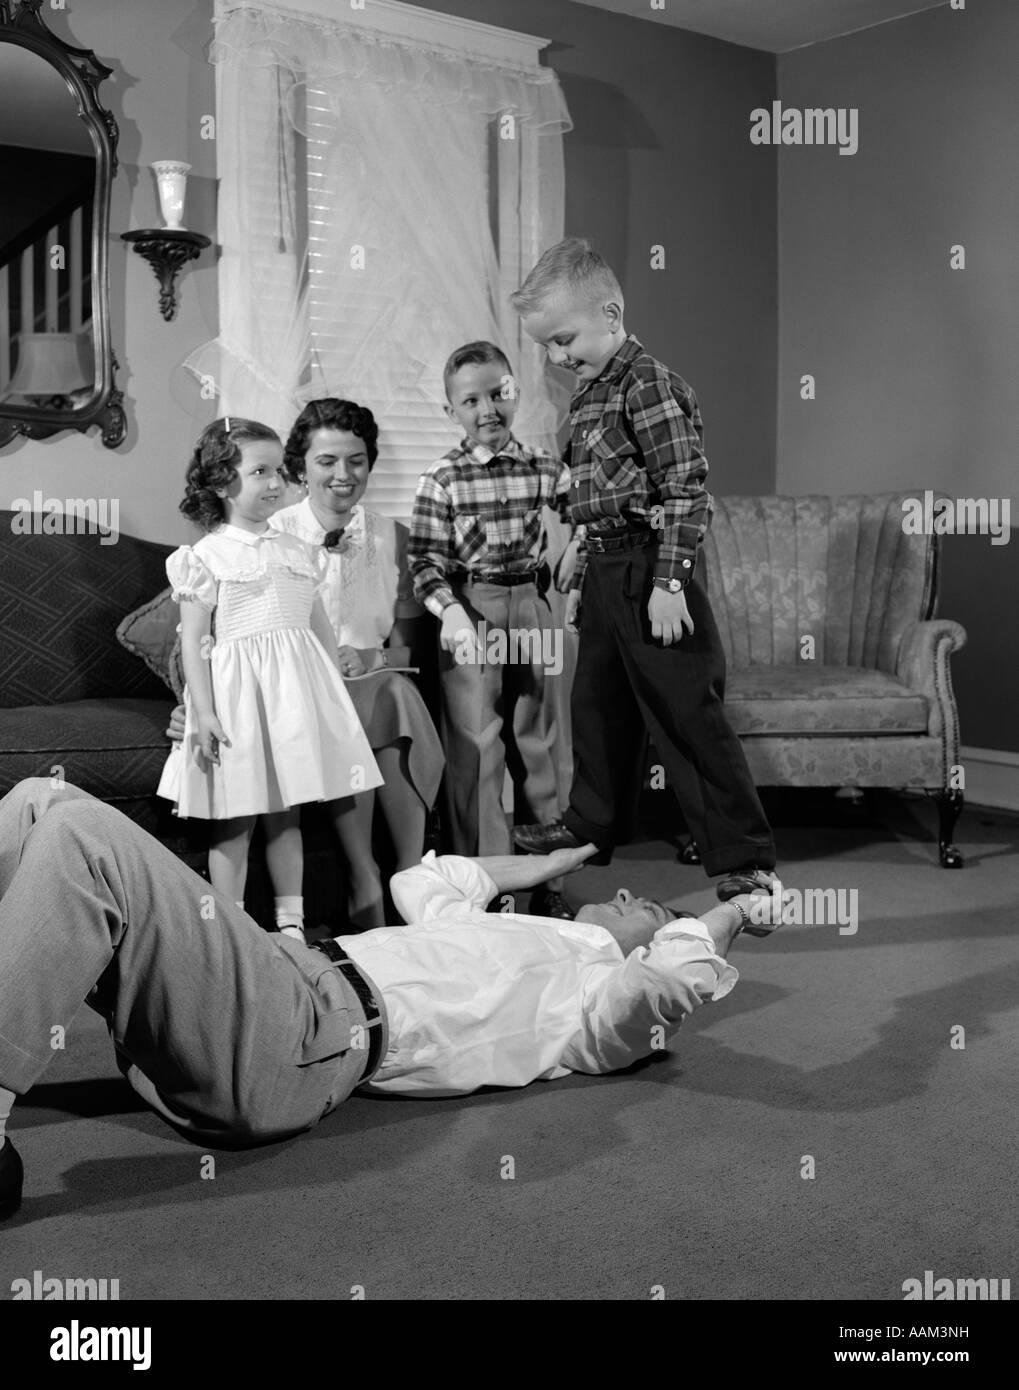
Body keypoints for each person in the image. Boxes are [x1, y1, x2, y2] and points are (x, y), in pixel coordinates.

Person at [0, 778, 782, 1221]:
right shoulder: (500, 930)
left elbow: (670, 982)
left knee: (83, 839)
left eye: (647, 906)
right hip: (271, 984)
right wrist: (549, 866)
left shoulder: (594, 998)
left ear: (648, 942)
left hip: (295, 1039)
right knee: (41, 800)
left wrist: (732, 913)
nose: (623, 892)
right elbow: (428, 881)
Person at [508, 238, 779, 903]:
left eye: (563, 338)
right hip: (604, 568)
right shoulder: (589, 394)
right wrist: (577, 554)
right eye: (545, 346)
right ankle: (588, 823)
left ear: (608, 311)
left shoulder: (647, 382)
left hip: (650, 567)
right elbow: (593, 489)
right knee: (595, 709)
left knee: (687, 715)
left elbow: (682, 490)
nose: (555, 356)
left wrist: (667, 583)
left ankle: (743, 856)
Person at [157, 417, 382, 941]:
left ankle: (291, 926)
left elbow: (317, 626)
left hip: (291, 701)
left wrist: (333, 696)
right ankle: (230, 931)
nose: (277, 482)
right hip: (239, 699)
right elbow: (194, 641)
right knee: (236, 820)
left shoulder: (297, 550)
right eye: (260, 471)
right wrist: (205, 711)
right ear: (221, 482)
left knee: (287, 815)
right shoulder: (205, 557)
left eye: (281, 470)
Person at [407, 341, 574, 917]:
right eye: (470, 399)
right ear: (451, 410)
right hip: (470, 610)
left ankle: (549, 882)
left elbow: (590, 520)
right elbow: (425, 561)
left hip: (533, 603)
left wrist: (574, 551)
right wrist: (451, 612)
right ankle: (486, 886)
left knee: (541, 742)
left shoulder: (548, 469)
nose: (487, 409)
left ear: (515, 394)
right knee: (477, 746)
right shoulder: (441, 479)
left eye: (497, 393)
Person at [272, 398, 445, 927]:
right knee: (367, 700)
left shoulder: (393, 537)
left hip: (374, 682)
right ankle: (363, 871)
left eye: (356, 460)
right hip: (297, 687)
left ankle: (410, 874)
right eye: (327, 462)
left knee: (391, 689)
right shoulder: (272, 534)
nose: (343, 475)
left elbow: (413, 653)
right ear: (301, 467)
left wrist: (374, 654)